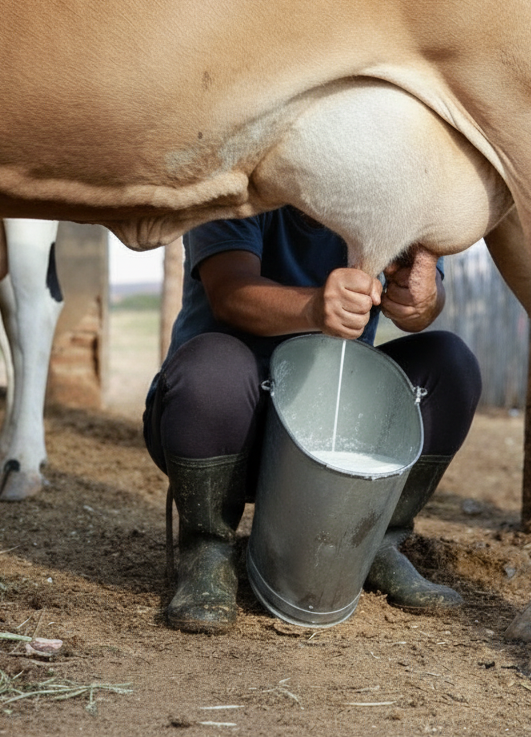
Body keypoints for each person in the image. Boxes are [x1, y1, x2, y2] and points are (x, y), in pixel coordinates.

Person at [143, 205, 483, 633]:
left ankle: (375, 543)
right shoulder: (244, 185)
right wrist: (313, 308)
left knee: (449, 364)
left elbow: (424, 307)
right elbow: (229, 293)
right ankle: (207, 550)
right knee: (212, 368)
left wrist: (423, 301)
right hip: (226, 429)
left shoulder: (390, 196)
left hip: (327, 437)